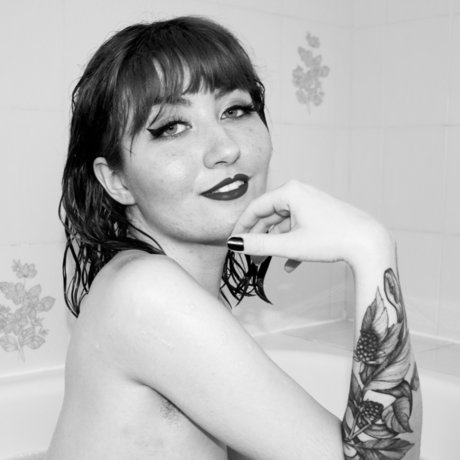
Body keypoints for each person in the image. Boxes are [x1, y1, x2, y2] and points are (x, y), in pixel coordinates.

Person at [47, 15, 422, 460]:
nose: (226, 149)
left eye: (235, 110)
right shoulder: (145, 293)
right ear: (117, 180)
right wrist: (371, 246)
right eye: (172, 127)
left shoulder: (151, 286)